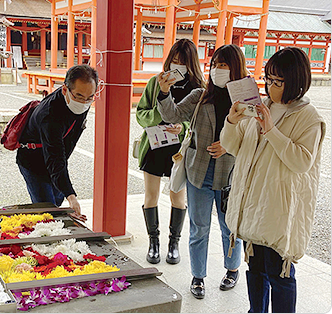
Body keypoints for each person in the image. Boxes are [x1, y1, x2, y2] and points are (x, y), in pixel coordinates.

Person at [220, 47, 326, 313]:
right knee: (255, 269)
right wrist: (232, 121)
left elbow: (302, 161)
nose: (270, 87)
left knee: (280, 274)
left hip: (279, 209)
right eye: (267, 79)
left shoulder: (308, 117)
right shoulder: (261, 106)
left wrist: (271, 130)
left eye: (277, 82)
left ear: (296, 81)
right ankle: (256, 310)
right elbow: (232, 146)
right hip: (252, 203)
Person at [157, 44, 245, 299]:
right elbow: (172, 114)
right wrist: (165, 92)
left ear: (236, 68)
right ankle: (198, 276)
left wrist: (229, 145)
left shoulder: (247, 100)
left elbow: (254, 136)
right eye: (215, 65)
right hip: (199, 172)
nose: (218, 70)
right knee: (199, 227)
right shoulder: (199, 96)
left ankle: (232, 269)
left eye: (224, 65)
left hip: (230, 174)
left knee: (230, 228)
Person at [136, 39, 205, 265]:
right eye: (174, 61)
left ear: (191, 64)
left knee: (178, 195)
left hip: (181, 150)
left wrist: (182, 126)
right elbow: (141, 114)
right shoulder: (156, 84)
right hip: (154, 147)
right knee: (151, 195)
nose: (177, 67)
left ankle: (174, 243)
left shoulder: (197, 89)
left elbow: (199, 122)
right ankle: (153, 243)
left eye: (183, 63)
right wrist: (161, 117)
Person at [16, 64, 98, 221]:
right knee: (47, 214)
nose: (84, 102)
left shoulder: (82, 101)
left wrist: (67, 194)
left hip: (57, 158)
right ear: (65, 90)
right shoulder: (49, 115)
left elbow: (60, 156)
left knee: (57, 204)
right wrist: (71, 197)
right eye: (79, 96)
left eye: (90, 98)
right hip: (34, 162)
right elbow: (55, 159)